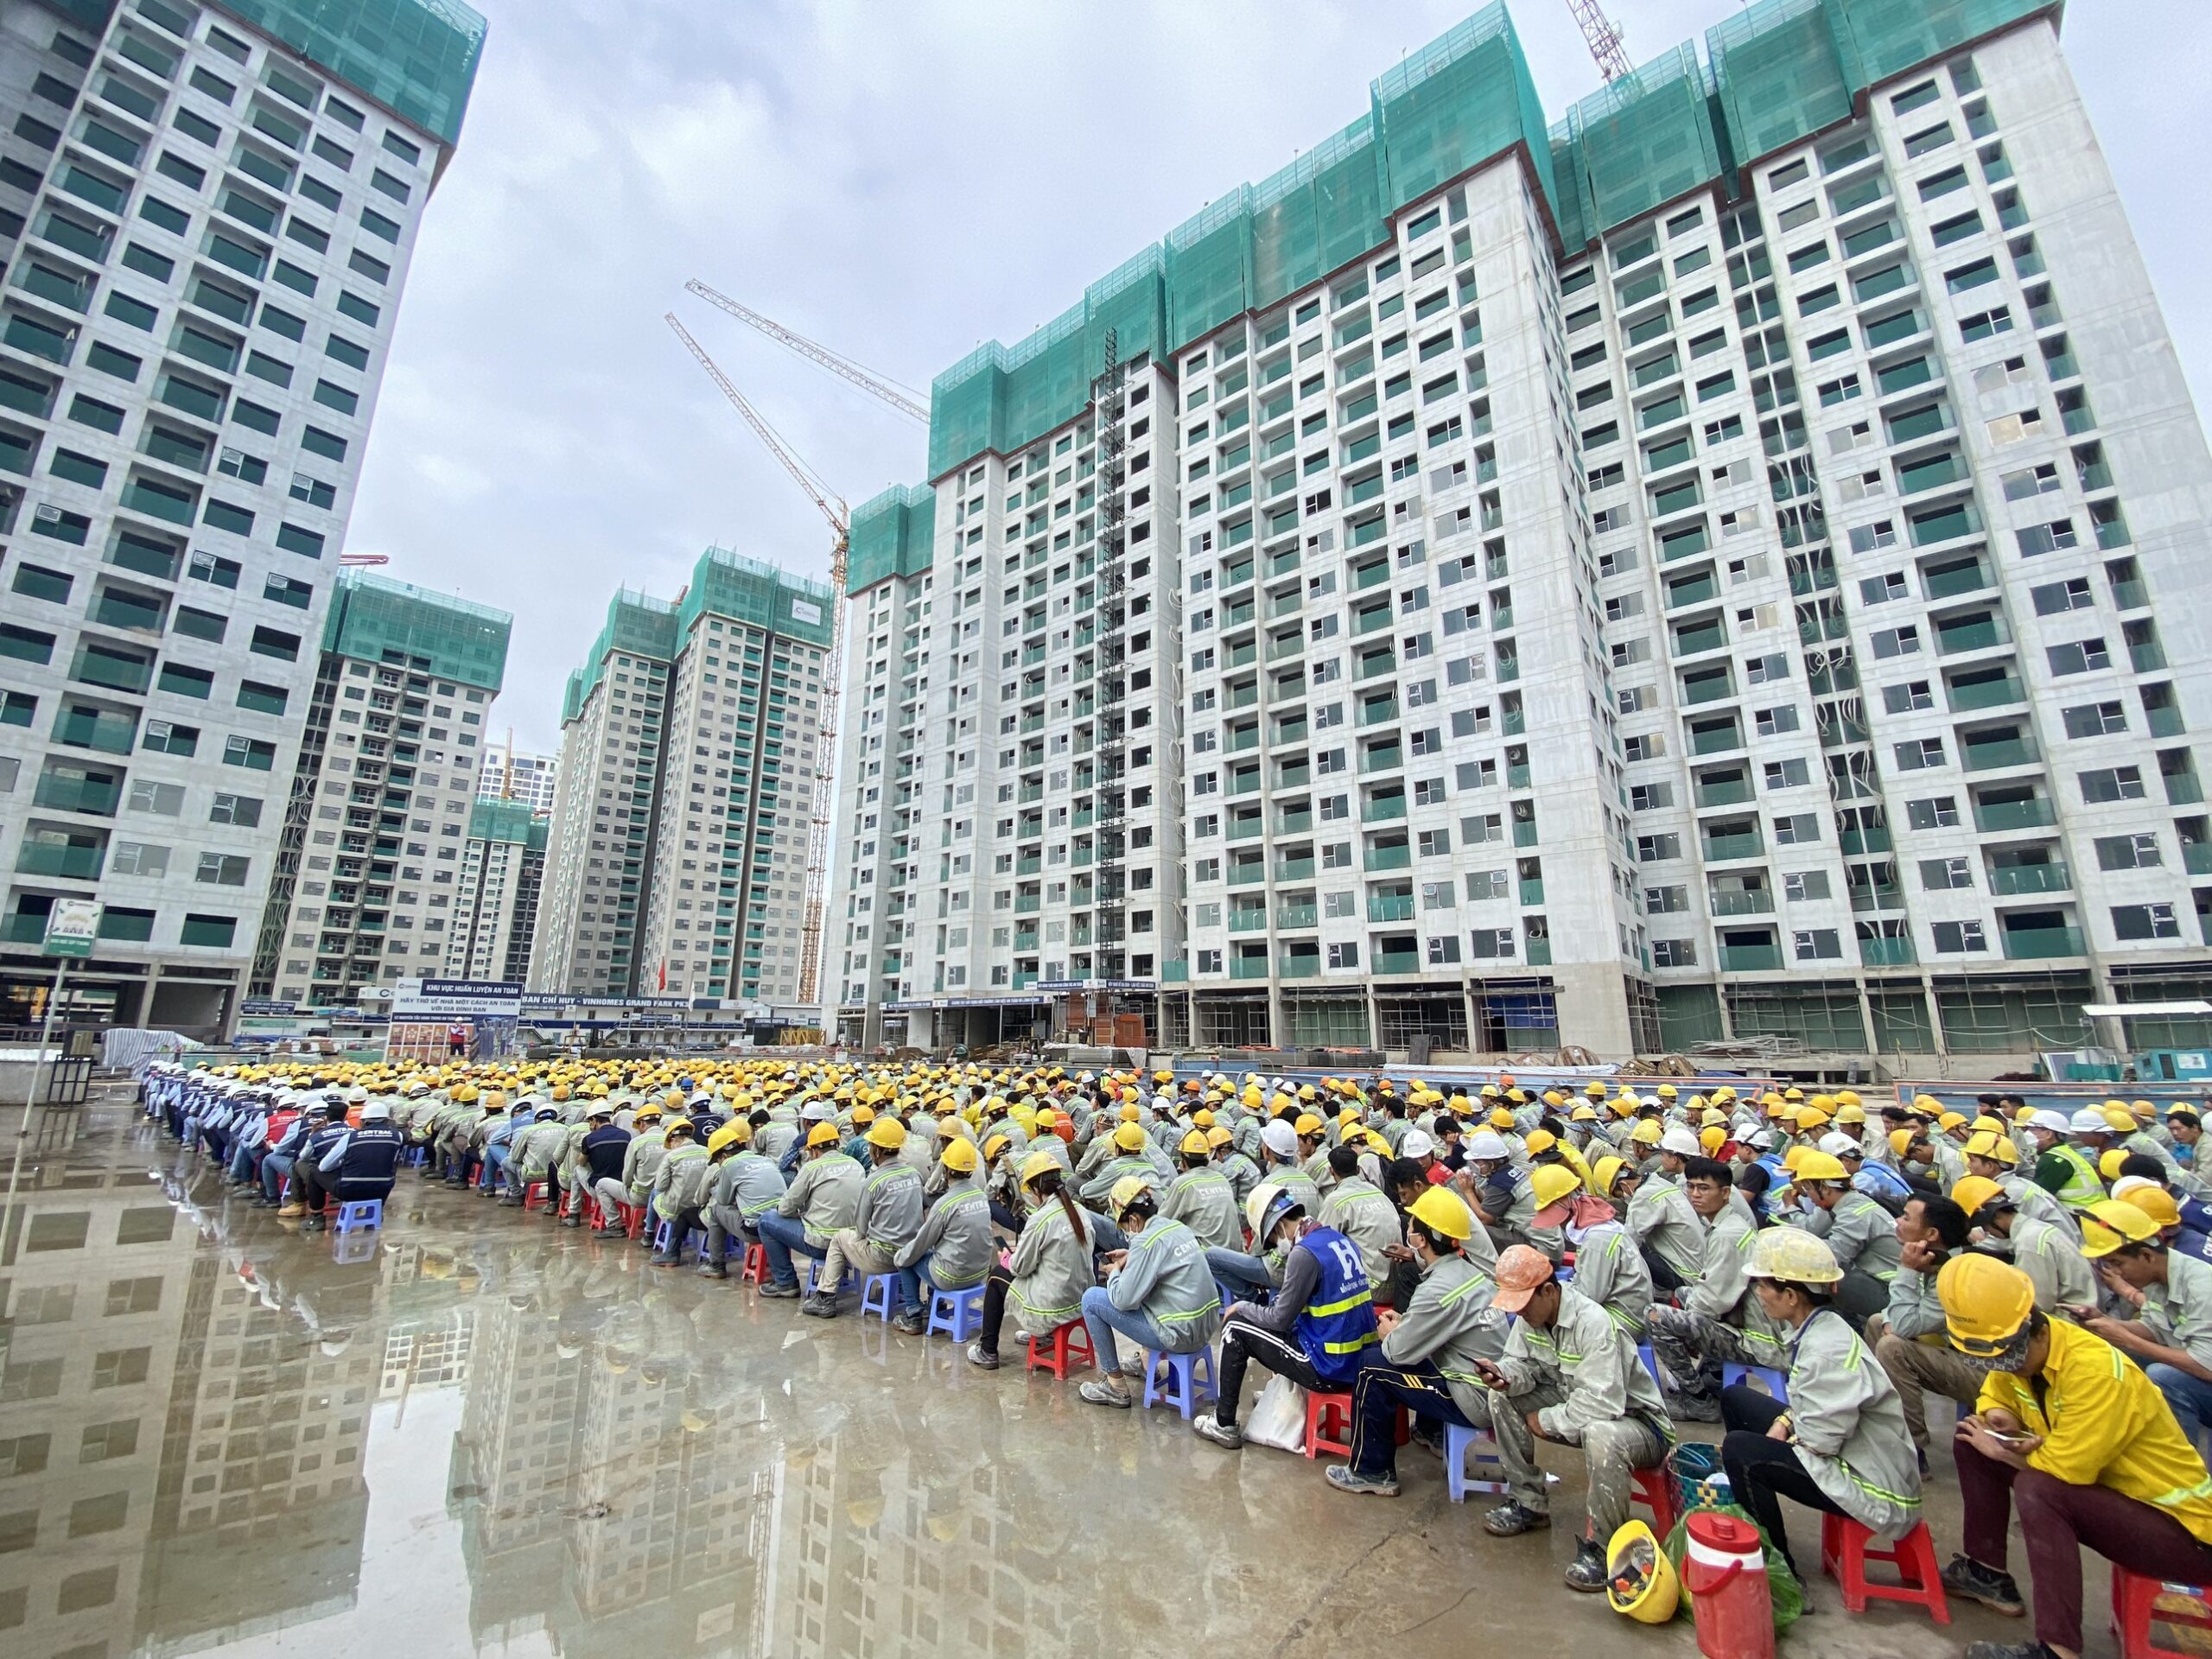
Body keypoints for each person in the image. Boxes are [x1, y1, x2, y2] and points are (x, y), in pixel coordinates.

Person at [1936, 1253, 2212, 1659]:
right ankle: (1987, 1574)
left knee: (2038, 1487)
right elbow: (1995, 1391)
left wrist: (2004, 1452)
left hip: (2184, 1535)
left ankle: (2058, 1649)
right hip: (2120, 1503)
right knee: (1972, 1439)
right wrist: (1998, 1416)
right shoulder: (2019, 1347)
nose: (2009, 1372)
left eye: (2012, 1364)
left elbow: (2068, 1472)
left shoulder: (2095, 1372)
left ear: (2033, 1333)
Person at [1445, 1245, 1675, 1592]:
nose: (1520, 1313)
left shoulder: (1592, 1323)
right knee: (1500, 1398)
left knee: (1602, 1435)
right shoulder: (1531, 1319)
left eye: (1524, 1304)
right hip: (1576, 1408)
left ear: (1549, 1291)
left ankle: (1605, 1547)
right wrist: (1504, 1375)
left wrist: (1547, 1419)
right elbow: (1523, 1366)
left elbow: (1602, 1403)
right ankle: (1527, 1502)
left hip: (1639, 1425)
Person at [1717, 1229, 1923, 1580]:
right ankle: (1752, 1506)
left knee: (1742, 1451)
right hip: (1845, 1448)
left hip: (1870, 1485)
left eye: (1763, 1286)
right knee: (1736, 1398)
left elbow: (1821, 1443)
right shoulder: (1820, 1326)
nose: (1759, 1294)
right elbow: (1813, 1407)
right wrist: (1784, 1422)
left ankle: (1780, 1571)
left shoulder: (1826, 1351)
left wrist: (1784, 1435)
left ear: (1791, 1296)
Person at [1324, 1186, 1498, 1497]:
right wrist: (1407, 1323)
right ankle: (1429, 1432)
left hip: (1472, 1398)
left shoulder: (1436, 1289)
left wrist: (1390, 1334)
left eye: (1413, 1226)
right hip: (1489, 1387)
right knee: (1410, 1353)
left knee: (1372, 1367)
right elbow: (1443, 1325)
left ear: (1422, 1240)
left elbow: (1396, 1353)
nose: (1410, 1231)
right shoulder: (1469, 1273)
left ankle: (1372, 1471)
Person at [1192, 1183, 1379, 1449]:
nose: (1274, 1246)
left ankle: (1223, 1423)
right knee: (1266, 1319)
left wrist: (1243, 1307)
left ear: (1279, 1227)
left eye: (1271, 1240)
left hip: (1328, 1369)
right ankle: (1268, 1397)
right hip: (1357, 1361)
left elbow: (1280, 1320)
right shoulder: (1338, 1239)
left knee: (1235, 1327)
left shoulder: (1303, 1254)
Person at [1645, 1157, 1789, 1421]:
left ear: (1725, 1193)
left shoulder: (1727, 1235)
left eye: (1704, 1188)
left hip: (1758, 1343)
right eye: (1691, 1187)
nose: (1695, 1194)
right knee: (1683, 1295)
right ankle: (1714, 1374)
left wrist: (1688, 1327)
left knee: (1656, 1316)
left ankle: (1697, 1399)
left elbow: (1712, 1302)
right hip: (1747, 1322)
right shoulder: (1726, 1224)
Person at [1077, 1176, 1224, 1409]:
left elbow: (1123, 1299)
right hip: (1205, 1327)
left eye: (1124, 1226)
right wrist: (1132, 1255)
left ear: (1133, 1220)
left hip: (1179, 1334)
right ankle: (1143, 1362)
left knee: (1091, 1300)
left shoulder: (1145, 1242)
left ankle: (1115, 1386)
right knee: (1147, 1292)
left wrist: (1114, 1272)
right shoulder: (1177, 1228)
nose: (1126, 1232)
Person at [2073, 1198, 2212, 1439]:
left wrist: (2129, 1340)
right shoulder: (2157, 1278)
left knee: (2162, 1376)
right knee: (2110, 1350)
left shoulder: (2201, 1285)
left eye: (2117, 1263)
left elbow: (2207, 1366)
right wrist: (2107, 1324)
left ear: (2147, 1256)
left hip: (2206, 1370)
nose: (2116, 1274)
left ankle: (2181, 1458)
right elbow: (2154, 1328)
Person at [1866, 1193, 1982, 1465]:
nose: (1898, 1221)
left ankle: (1911, 1449)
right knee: (1876, 1323)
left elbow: (1904, 1324)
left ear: (1931, 1234)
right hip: (1957, 1350)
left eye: (1906, 1217)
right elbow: (1900, 1315)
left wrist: (1907, 1269)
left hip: (1986, 1371)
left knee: (1892, 1347)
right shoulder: (1936, 1258)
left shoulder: (1953, 1272)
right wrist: (1892, 1321)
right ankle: (1886, 1424)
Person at [967, 1153, 1096, 1371]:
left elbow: (1020, 1268)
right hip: (1080, 1300)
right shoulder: (1079, 1210)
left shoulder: (1040, 1219)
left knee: (997, 1276)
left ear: (1036, 1189)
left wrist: (1007, 1258)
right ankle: (1044, 1335)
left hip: (1054, 1305)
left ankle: (987, 1350)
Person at [808, 1117, 925, 1319]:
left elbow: (861, 1229)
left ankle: (825, 1297)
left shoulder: (873, 1181)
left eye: (871, 1146)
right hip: (911, 1255)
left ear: (877, 1150)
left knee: (840, 1238)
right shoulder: (914, 1174)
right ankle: (898, 1290)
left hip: (883, 1257)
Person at [1777, 1148, 1901, 1325]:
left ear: (1825, 1188)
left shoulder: (1853, 1213)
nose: (1809, 1197)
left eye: (1809, 1189)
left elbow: (1833, 1256)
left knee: (1831, 1276)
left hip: (1891, 1292)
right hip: (1887, 1285)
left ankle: (1846, 1326)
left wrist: (1791, 1248)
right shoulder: (1852, 1203)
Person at [1951, 1177, 2095, 1314]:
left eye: (1985, 1227)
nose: (1988, 1233)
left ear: (1996, 1216)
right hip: (2080, 1307)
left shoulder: (2028, 1242)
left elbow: (2040, 1304)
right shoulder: (2034, 1229)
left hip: (2073, 1318)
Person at [893, 1137, 994, 1336]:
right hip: (980, 1272)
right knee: (933, 1254)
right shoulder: (981, 1196)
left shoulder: (945, 1204)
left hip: (952, 1276)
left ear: (946, 1170)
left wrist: (900, 1257)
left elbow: (921, 1244)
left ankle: (913, 1315)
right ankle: (935, 1308)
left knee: (906, 1258)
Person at [758, 1122, 863, 1299]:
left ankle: (785, 1282)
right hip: (851, 1242)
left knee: (766, 1221)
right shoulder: (856, 1165)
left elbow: (784, 1209)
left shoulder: (811, 1168)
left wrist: (799, 1213)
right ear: (836, 1144)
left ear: (813, 1151)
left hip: (822, 1244)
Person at [291, 1100, 408, 1230]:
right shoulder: (398, 1136)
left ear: (363, 1121)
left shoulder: (350, 1137)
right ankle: (376, 1213)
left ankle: (317, 1218)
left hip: (350, 1191)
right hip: (382, 1191)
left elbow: (324, 1166)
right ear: (386, 1120)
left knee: (314, 1172)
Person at [698, 1121, 789, 1276]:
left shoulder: (729, 1165)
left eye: (718, 1161)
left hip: (756, 1230)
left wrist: (715, 1190)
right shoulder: (763, 1159)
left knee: (716, 1210)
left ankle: (716, 1265)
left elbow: (724, 1201)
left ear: (724, 1156)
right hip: (781, 1225)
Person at [1157, 1128, 1240, 1250]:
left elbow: (1162, 1222)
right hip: (1235, 1253)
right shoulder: (1221, 1178)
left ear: (1183, 1160)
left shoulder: (1183, 1183)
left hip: (1208, 1255)